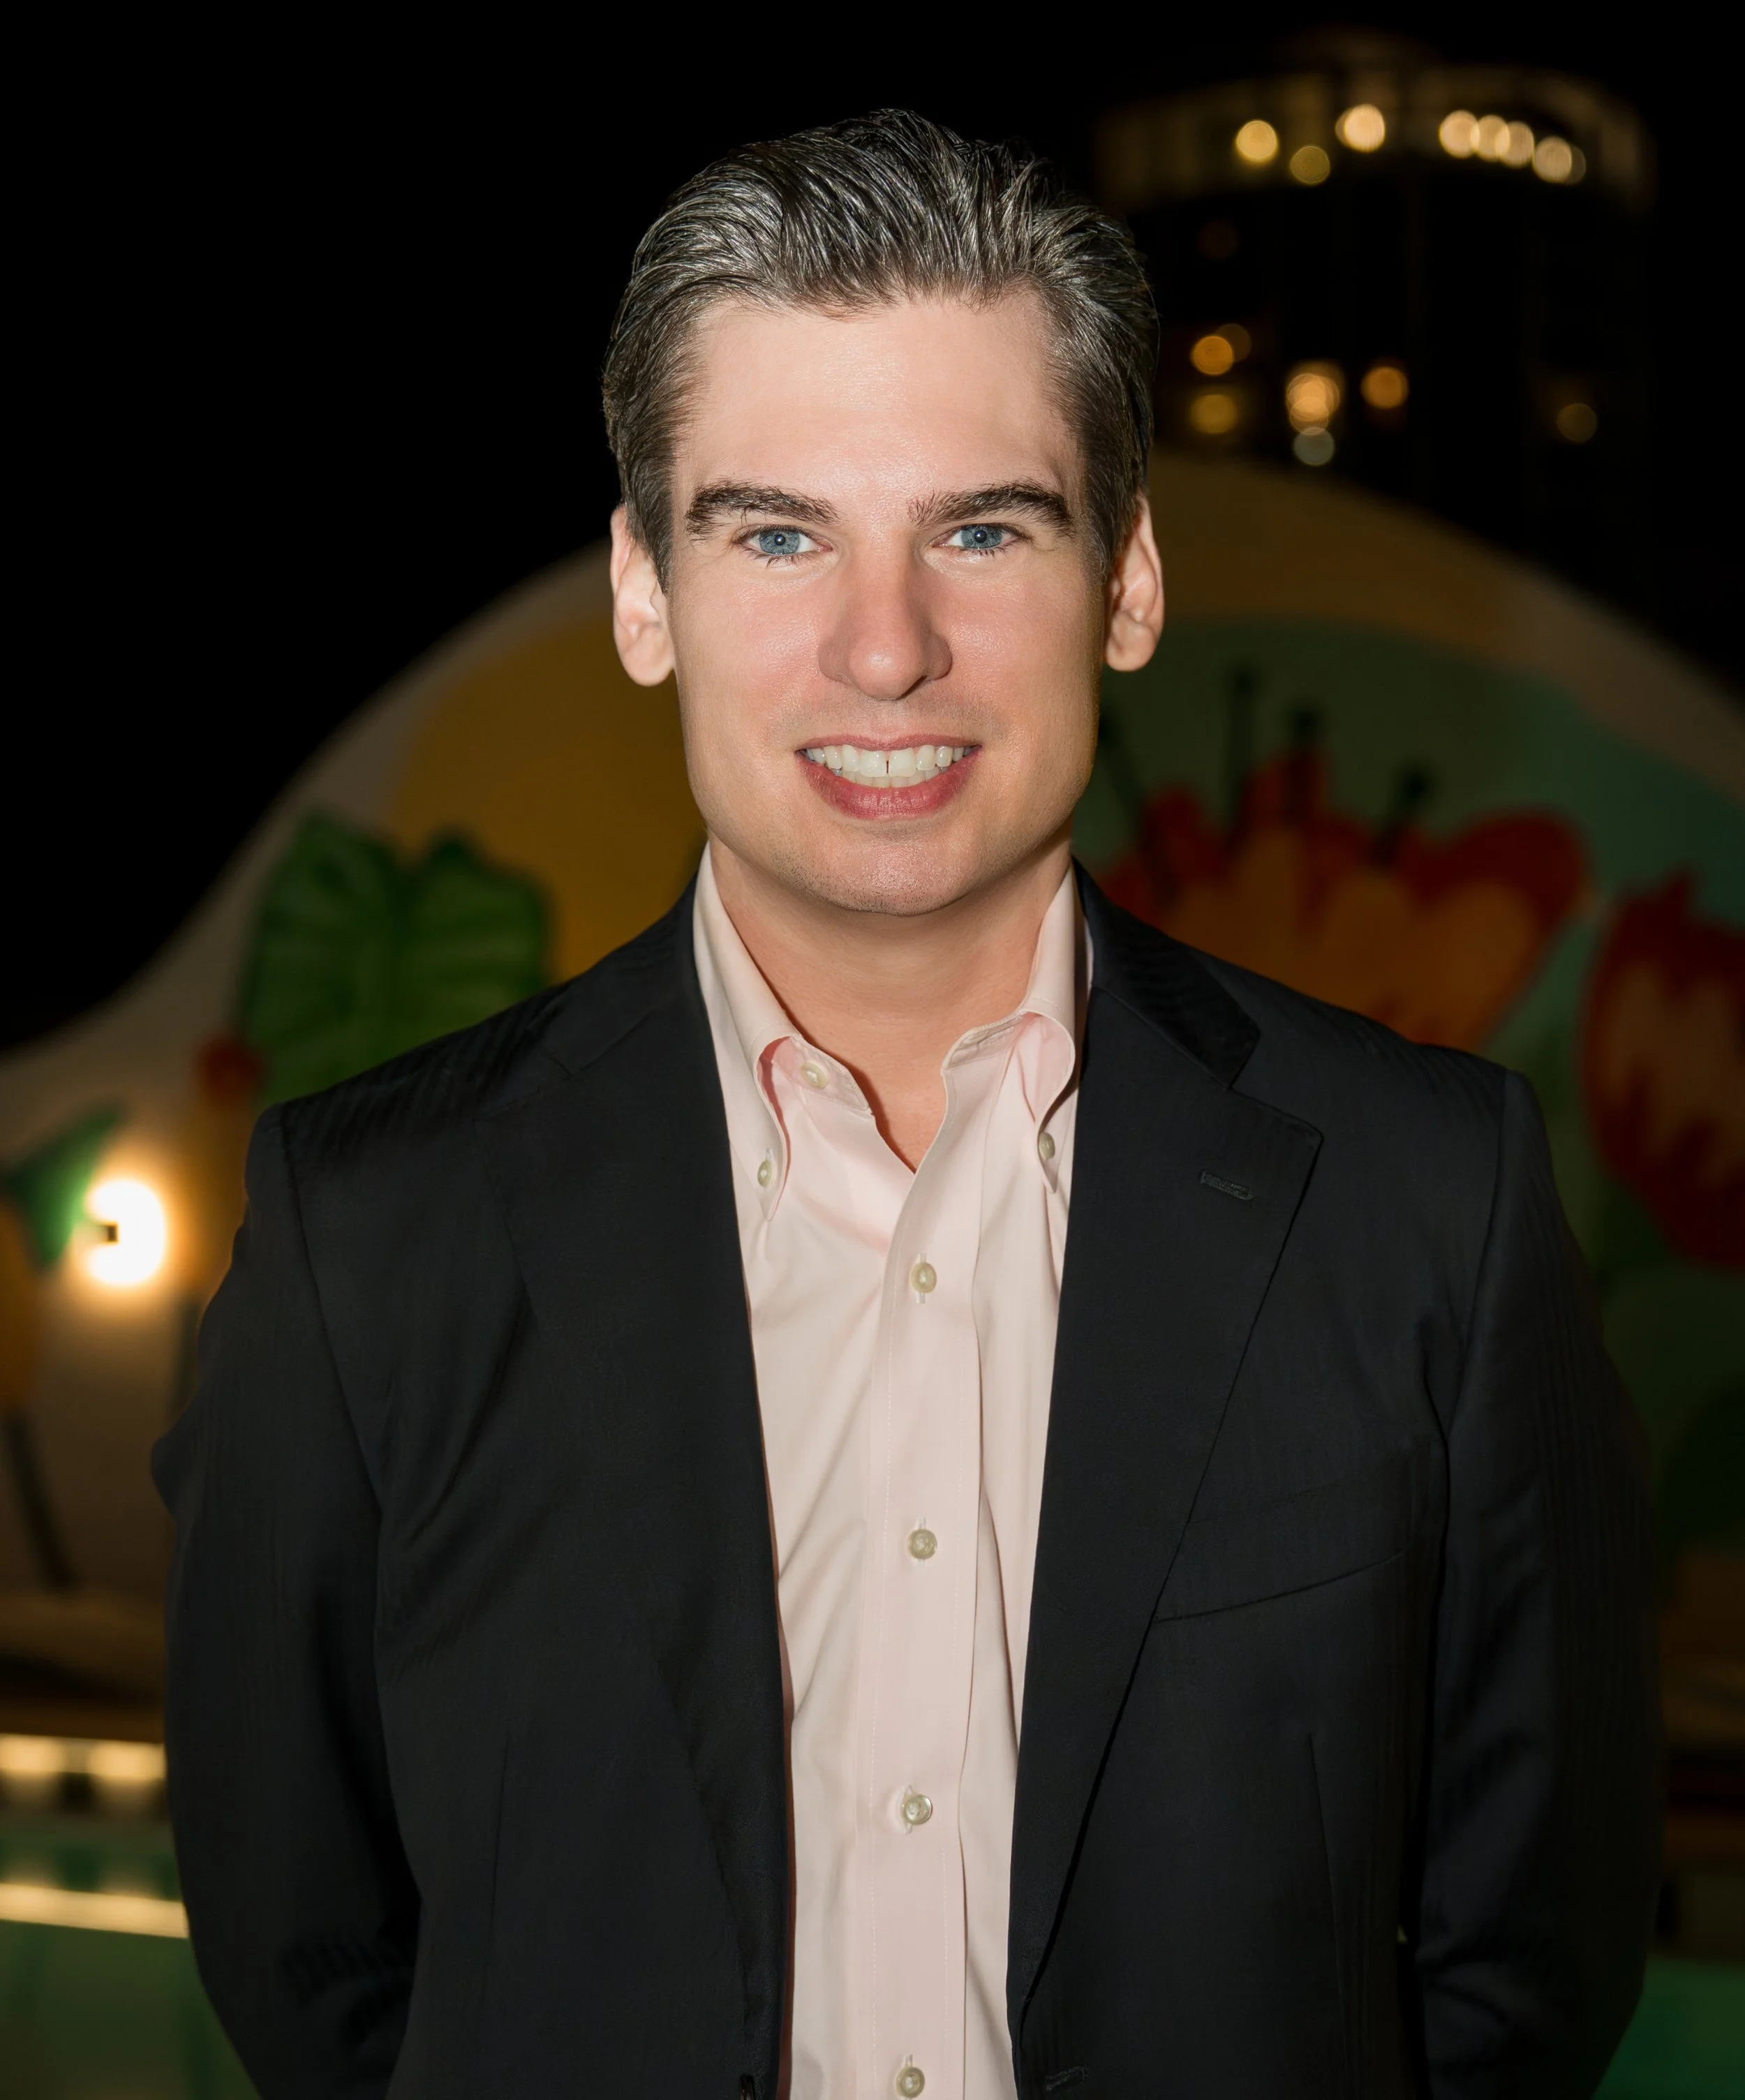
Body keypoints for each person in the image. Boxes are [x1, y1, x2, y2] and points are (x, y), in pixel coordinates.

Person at [154, 110, 1660, 2100]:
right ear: (642, 589)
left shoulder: (1428, 1203)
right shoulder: (368, 1233)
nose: (885, 649)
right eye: (777, 533)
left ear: (1126, 581)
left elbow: (1529, 1949)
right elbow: (306, 1947)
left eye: (983, 530)